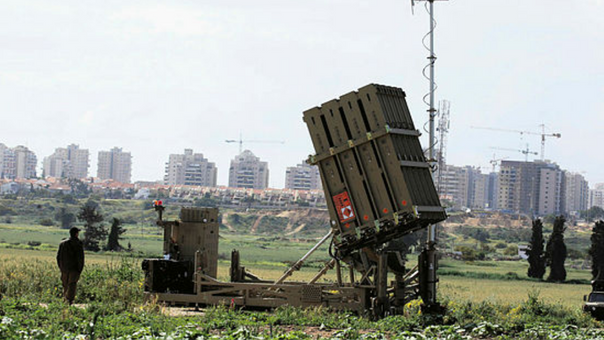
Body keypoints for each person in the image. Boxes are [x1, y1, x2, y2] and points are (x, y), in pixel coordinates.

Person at [56, 227, 85, 304]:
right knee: (72, 285)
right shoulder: (78, 243)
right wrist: (80, 269)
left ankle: (64, 299)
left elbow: (58, 257)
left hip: (64, 268)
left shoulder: (62, 243)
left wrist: (61, 267)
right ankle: (69, 301)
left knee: (65, 284)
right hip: (74, 269)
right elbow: (80, 258)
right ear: (76, 234)